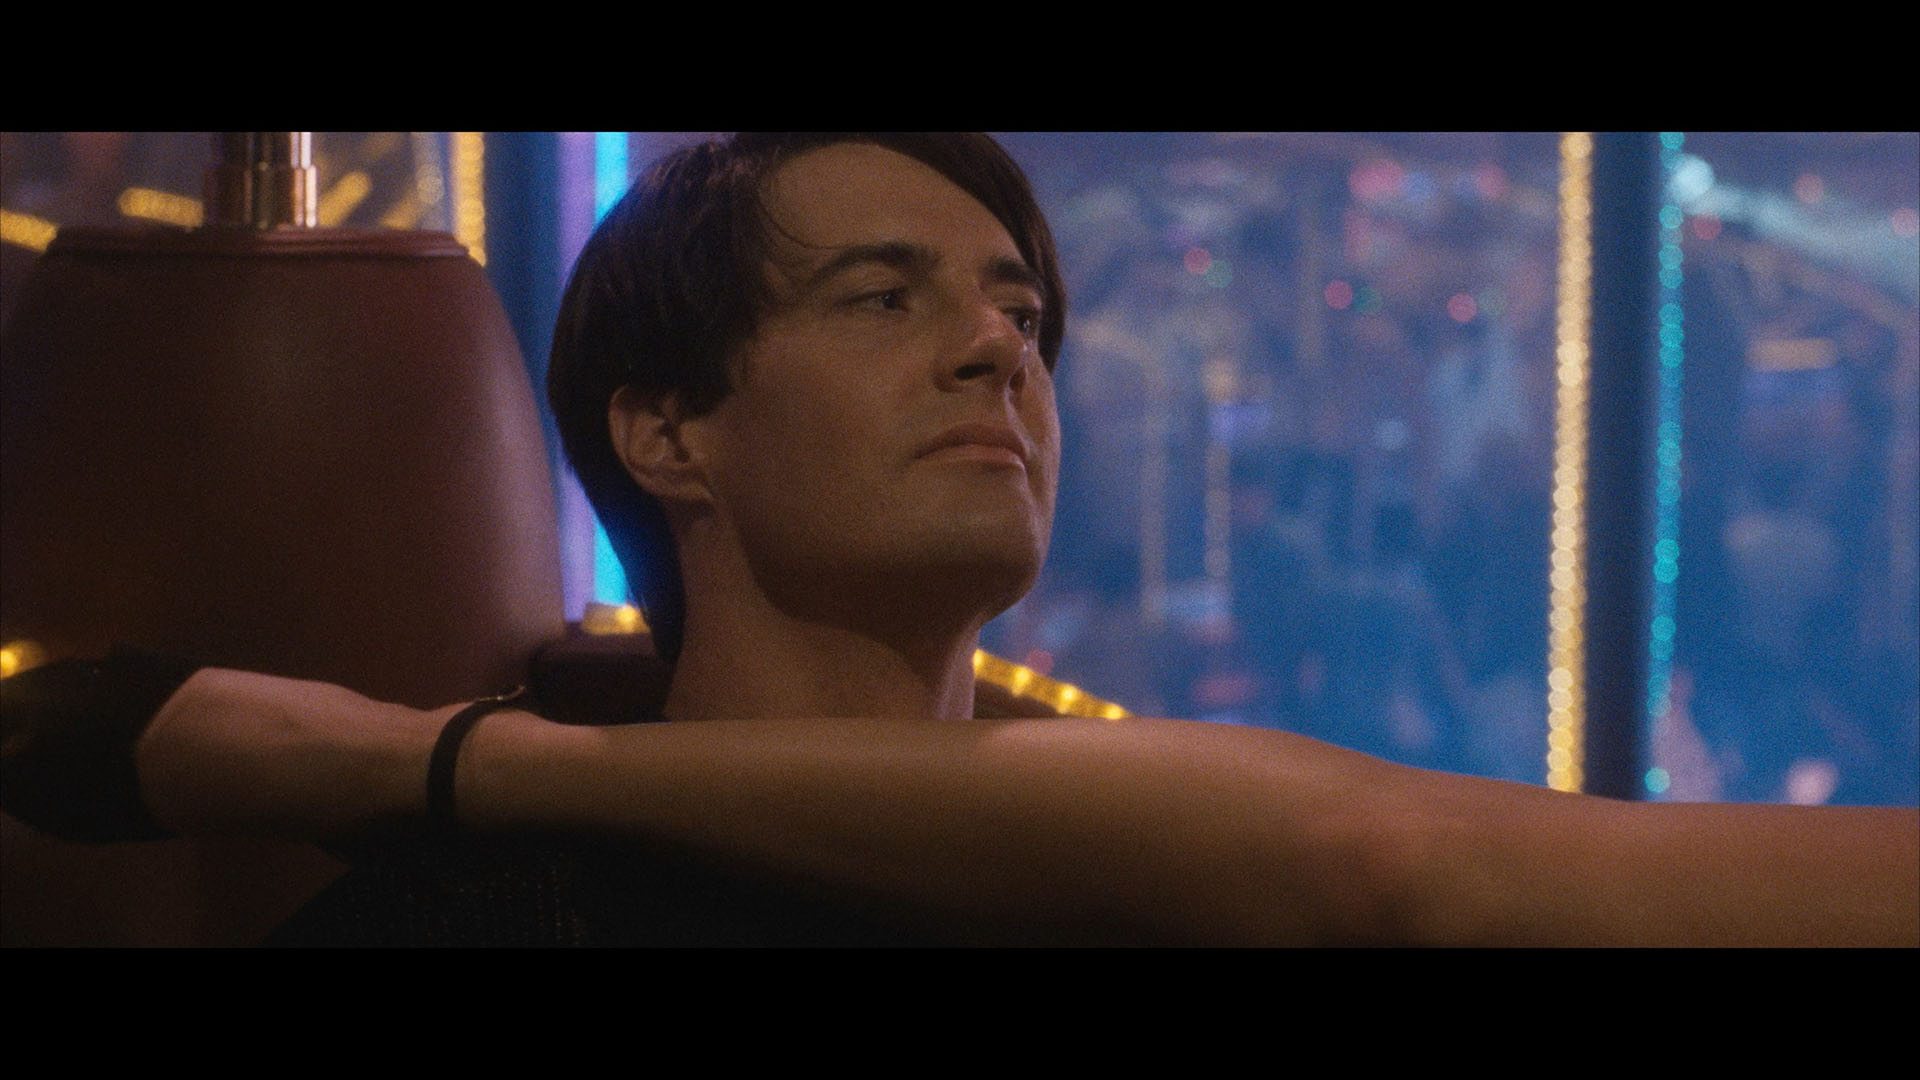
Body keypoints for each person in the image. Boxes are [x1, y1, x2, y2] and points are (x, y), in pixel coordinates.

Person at [5, 133, 1917, 946]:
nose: (1000, 345)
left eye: (1020, 311)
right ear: (668, 431)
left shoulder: (1160, 886)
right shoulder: (496, 920)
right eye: (881, 296)